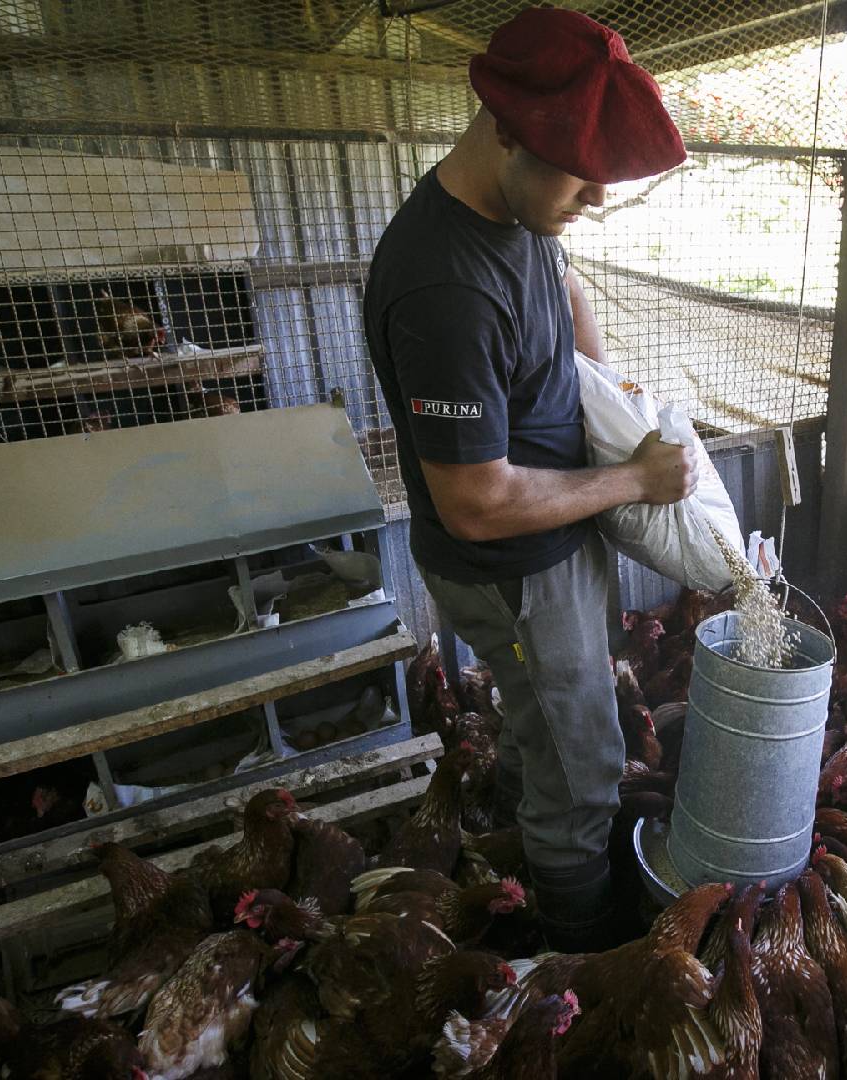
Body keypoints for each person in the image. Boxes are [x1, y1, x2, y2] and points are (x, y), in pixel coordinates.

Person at [362, 8, 693, 950]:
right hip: (510, 566)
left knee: (537, 724)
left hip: (550, 544)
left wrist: (601, 384)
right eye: (579, 175)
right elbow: (475, 503)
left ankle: (512, 857)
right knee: (584, 766)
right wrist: (632, 479)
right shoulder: (443, 288)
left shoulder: (513, 210)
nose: (591, 199)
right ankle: (572, 950)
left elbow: (558, 277)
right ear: (503, 128)